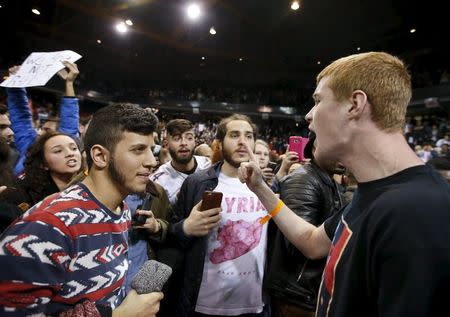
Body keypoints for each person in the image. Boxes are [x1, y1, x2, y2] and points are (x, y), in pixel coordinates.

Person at [238, 52, 450, 317]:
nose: (308, 115)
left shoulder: (418, 213)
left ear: (354, 104)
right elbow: (312, 241)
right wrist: (260, 188)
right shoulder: (375, 192)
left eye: (318, 101)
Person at [0, 103, 163, 316]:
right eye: (138, 150)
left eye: (152, 149)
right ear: (100, 156)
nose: (152, 161)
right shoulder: (47, 226)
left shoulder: (121, 210)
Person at [170, 114, 270, 317]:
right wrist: (185, 228)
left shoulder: (267, 187)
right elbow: (171, 235)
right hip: (204, 306)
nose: (242, 141)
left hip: (254, 306)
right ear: (220, 143)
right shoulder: (197, 183)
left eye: (248, 136)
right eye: (234, 135)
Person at [265, 132, 343, 317]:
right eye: (336, 148)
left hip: (307, 292)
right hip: (297, 295)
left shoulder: (326, 180)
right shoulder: (303, 180)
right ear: (315, 148)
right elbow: (297, 243)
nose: (343, 153)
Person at [6, 61, 80, 175]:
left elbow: (69, 122)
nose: (40, 132)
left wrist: (69, 83)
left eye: (48, 131)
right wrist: (16, 83)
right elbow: (20, 117)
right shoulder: (30, 148)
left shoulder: (72, 190)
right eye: (42, 129)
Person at [0, 131, 83, 209]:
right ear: (43, 163)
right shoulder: (22, 195)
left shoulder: (90, 186)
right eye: (58, 151)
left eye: (74, 148)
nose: (70, 154)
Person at [151, 119, 210, 205]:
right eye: (176, 139)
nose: (183, 143)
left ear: (195, 142)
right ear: (166, 144)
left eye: (189, 138)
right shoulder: (158, 181)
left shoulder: (208, 165)